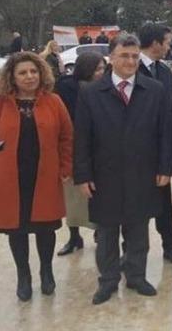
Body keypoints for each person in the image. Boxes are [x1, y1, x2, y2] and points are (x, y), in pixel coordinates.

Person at [73, 34, 172, 305]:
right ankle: (107, 281)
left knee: (138, 229)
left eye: (134, 56)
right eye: (124, 56)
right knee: (106, 232)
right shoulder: (91, 92)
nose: (130, 61)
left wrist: (166, 167)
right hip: (104, 176)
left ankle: (136, 276)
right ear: (111, 58)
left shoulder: (154, 90)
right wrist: (82, 175)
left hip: (143, 173)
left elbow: (166, 133)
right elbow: (81, 137)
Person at [0, 52, 73, 301]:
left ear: (41, 72)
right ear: (11, 76)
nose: (29, 76)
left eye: (33, 71)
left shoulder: (53, 101)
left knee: (46, 228)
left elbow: (67, 138)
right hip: (10, 177)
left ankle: (46, 271)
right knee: (16, 229)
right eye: (22, 72)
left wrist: (66, 168)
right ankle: (24, 275)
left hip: (45, 176)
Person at [137, 24, 172, 266]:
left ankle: (171, 245)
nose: (169, 46)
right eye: (167, 42)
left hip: (161, 151)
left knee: (164, 202)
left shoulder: (164, 72)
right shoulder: (131, 69)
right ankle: (133, 250)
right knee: (135, 206)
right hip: (135, 153)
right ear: (155, 43)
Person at [54, 51, 106, 256]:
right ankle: (74, 237)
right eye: (98, 69)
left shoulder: (105, 88)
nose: (102, 73)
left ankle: (100, 233)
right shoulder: (66, 87)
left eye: (103, 68)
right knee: (72, 196)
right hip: (71, 148)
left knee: (97, 194)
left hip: (98, 149)